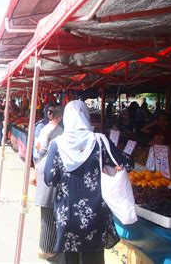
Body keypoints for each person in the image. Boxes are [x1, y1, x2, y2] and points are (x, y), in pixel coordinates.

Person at [44, 100, 133, 264]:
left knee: (69, 257)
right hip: (96, 212)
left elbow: (49, 179)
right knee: (94, 258)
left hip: (67, 213)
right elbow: (127, 163)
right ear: (86, 116)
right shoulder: (99, 141)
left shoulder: (56, 144)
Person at [30, 105, 64, 260]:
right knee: (50, 210)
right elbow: (43, 150)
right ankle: (47, 249)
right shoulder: (56, 131)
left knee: (47, 210)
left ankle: (45, 246)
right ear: (60, 116)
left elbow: (37, 148)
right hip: (49, 169)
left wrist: (36, 167)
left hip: (44, 167)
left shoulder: (45, 128)